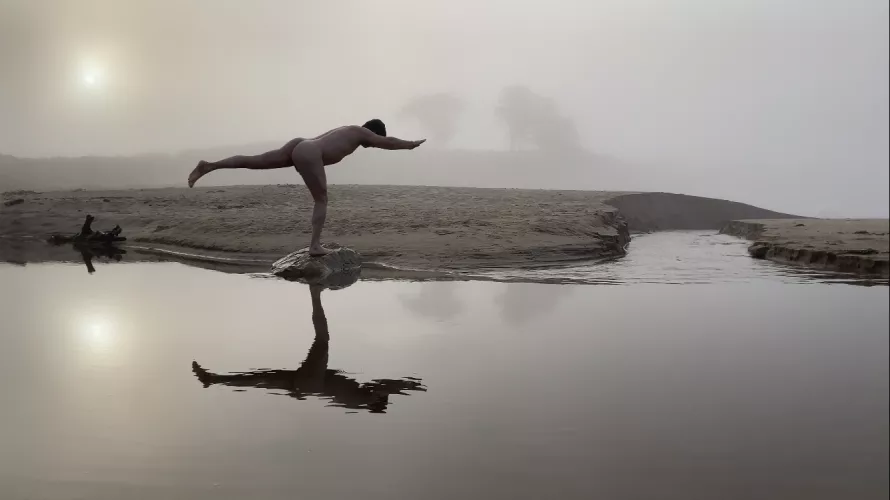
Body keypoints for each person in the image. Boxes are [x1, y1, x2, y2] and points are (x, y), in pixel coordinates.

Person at [187, 119, 425, 256]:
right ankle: (315, 246)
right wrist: (411, 145)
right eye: (374, 140)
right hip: (309, 151)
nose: (372, 145)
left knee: (254, 161)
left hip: (302, 144)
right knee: (322, 200)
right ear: (373, 131)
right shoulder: (362, 132)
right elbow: (388, 142)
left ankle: (210, 166)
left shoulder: (348, 129)